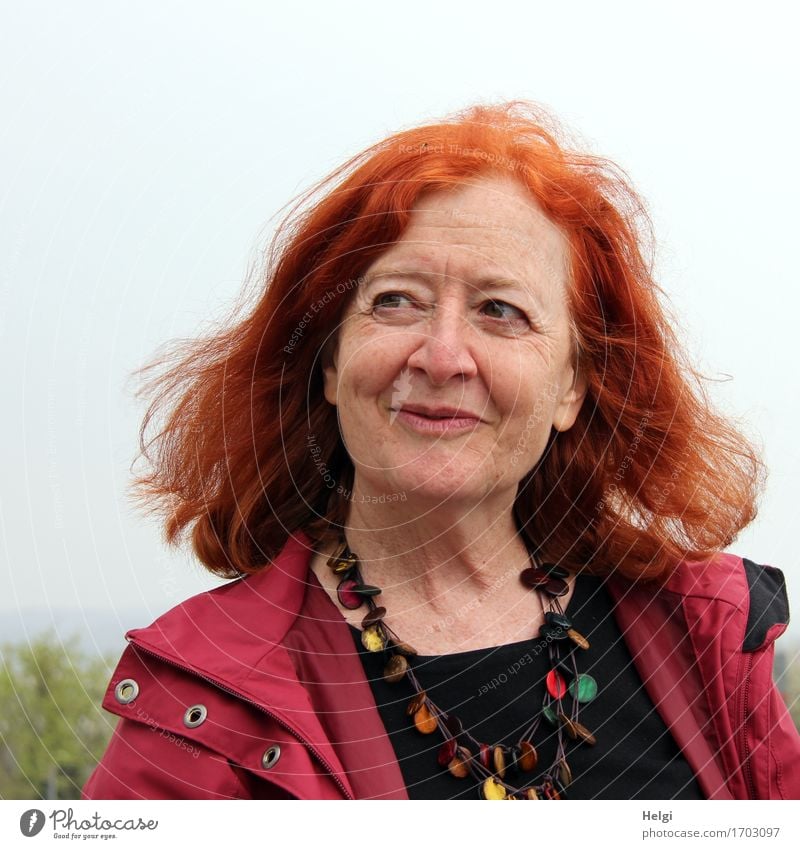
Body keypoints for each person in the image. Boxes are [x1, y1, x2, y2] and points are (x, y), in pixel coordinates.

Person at [82, 100, 800, 800]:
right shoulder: (204, 698)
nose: (442, 354)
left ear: (571, 390)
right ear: (329, 364)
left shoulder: (701, 636)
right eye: (396, 300)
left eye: (501, 310)